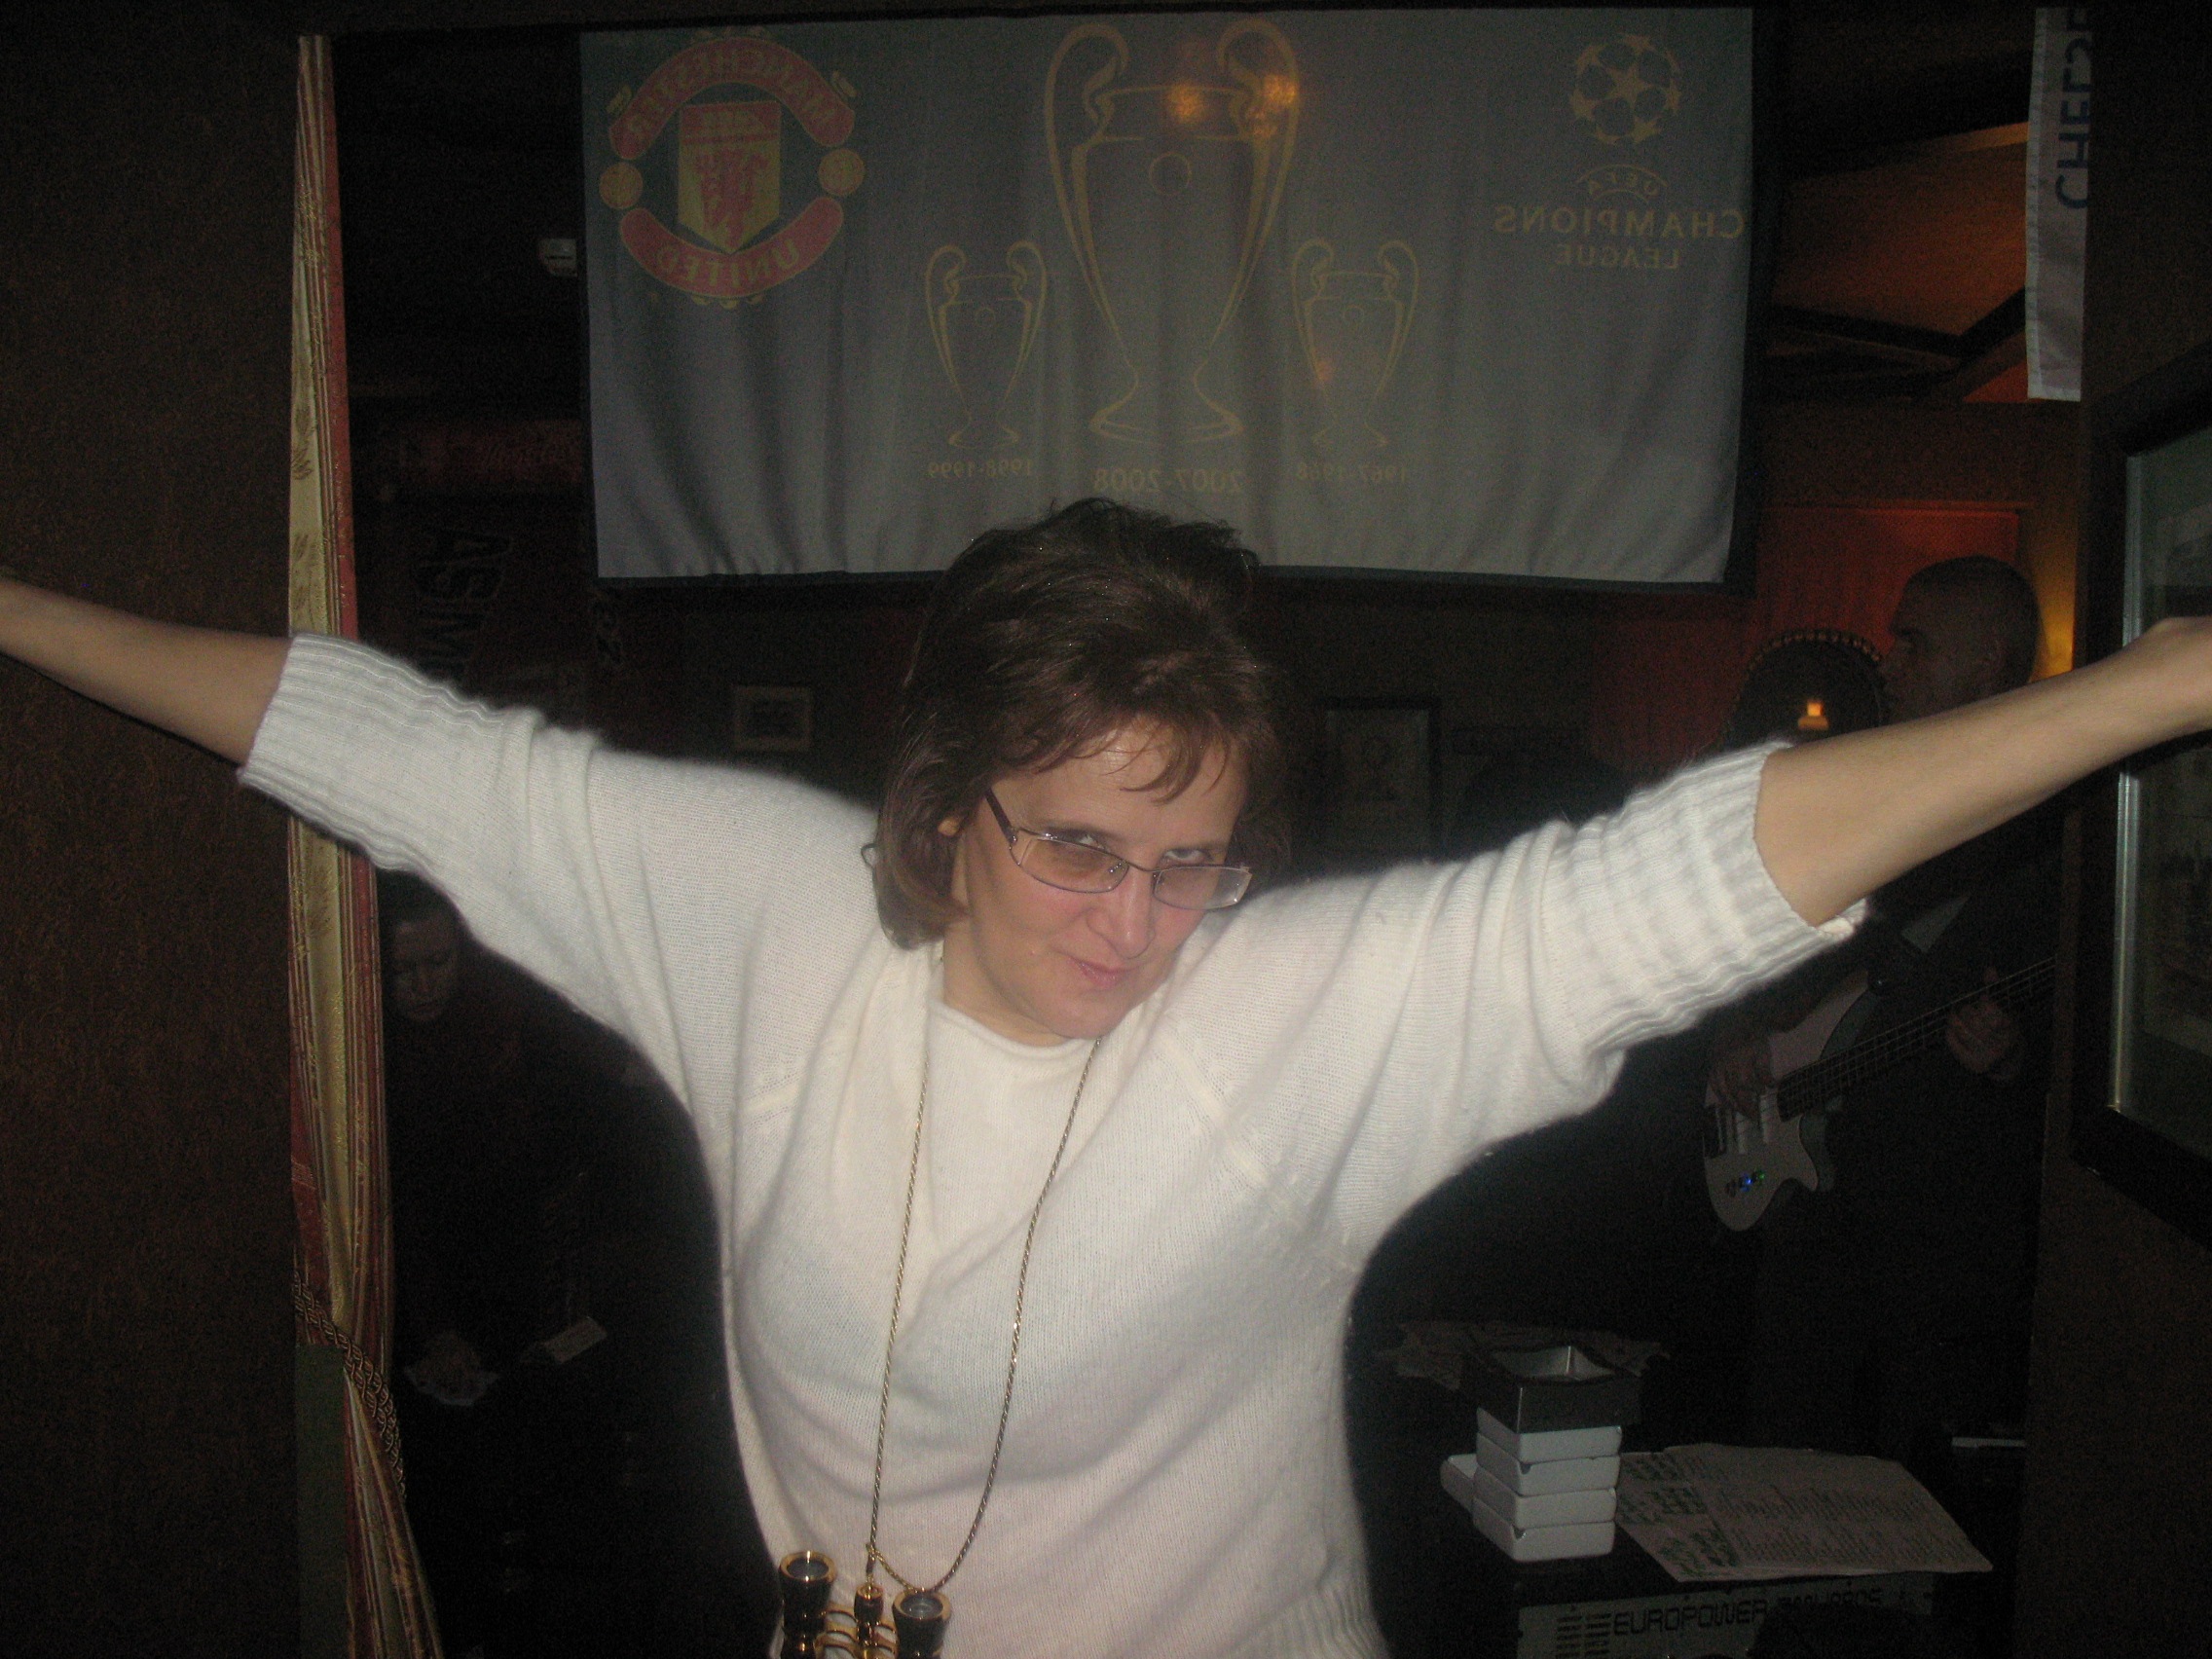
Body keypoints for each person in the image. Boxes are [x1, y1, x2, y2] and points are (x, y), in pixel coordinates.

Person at [3, 499, 2207, 1659]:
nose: (1137, 925)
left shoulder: (1276, 1013)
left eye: (1191, 861)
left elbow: (1661, 885)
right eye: (1076, 846)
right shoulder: (759, 909)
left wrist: (2140, 689)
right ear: (940, 803)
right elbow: (393, 750)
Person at [1717, 557, 2059, 1459]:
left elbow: (2092, 1050)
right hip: (1812, 1206)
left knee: (1915, 1480)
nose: (1888, 662)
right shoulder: (1868, 781)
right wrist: (1741, 1027)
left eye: (1916, 643)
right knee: (1780, 1457)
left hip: (1939, 1240)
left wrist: (2012, 1059)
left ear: (1989, 662)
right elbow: (1777, 945)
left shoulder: (2056, 822)